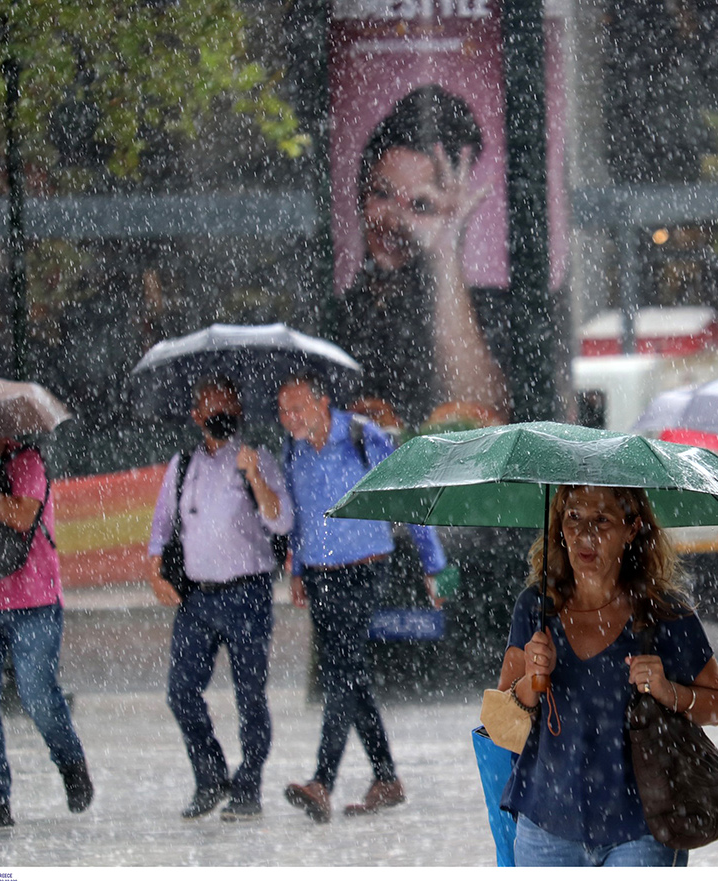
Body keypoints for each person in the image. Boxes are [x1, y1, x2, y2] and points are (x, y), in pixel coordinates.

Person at [498, 485, 718, 867]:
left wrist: (669, 691)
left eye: (603, 519)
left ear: (632, 527)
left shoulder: (665, 612)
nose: (584, 533)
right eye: (573, 517)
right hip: (546, 829)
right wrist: (529, 682)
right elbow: (499, 729)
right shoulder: (535, 609)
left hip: (643, 829)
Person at [277, 375, 447, 823]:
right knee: (349, 676)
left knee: (341, 674)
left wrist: (434, 565)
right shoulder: (293, 449)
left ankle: (322, 781)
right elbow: (298, 515)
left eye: (298, 409)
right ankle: (386, 778)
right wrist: (297, 570)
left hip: (363, 569)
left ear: (322, 403)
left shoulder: (359, 435)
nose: (290, 419)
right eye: (284, 411)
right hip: (318, 575)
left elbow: (406, 495)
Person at [147, 377, 293, 822]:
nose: (220, 412)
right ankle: (210, 776)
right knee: (181, 692)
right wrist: (153, 569)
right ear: (196, 415)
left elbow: (282, 521)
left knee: (250, 695)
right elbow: (162, 525)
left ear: (240, 412)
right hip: (197, 597)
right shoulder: (183, 464)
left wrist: (254, 476)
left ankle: (248, 786)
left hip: (248, 593)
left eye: (228, 404)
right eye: (210, 405)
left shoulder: (258, 458)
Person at [326, 83, 511, 431]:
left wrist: (444, 252)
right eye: (382, 193)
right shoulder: (343, 309)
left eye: (420, 206)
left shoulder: (481, 308)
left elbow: (481, 416)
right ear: (360, 193)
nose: (395, 220)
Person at [0, 437, 92, 829]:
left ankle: (70, 760)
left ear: (4, 435)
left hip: (34, 603)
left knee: (37, 695)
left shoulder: (28, 464)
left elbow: (22, 516)